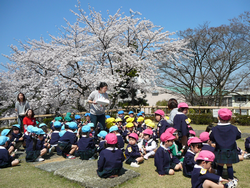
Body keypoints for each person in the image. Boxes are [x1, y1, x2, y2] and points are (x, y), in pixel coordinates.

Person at [209, 108, 241, 182]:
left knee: (220, 165)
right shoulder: (234, 128)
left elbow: (211, 137)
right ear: (230, 118)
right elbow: (238, 136)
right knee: (229, 165)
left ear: (218, 118)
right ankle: (231, 178)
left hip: (220, 149)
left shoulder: (214, 129)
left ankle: (219, 178)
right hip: (231, 149)